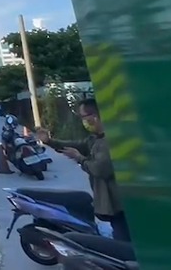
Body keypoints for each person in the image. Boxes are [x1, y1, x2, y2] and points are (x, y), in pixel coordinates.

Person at [36, 98, 131, 242]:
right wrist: (50, 141)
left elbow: (100, 169)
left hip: (119, 202)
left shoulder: (109, 141)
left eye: (83, 117)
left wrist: (79, 158)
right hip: (112, 202)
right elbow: (75, 145)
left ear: (95, 116)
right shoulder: (95, 139)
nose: (83, 121)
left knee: (124, 240)